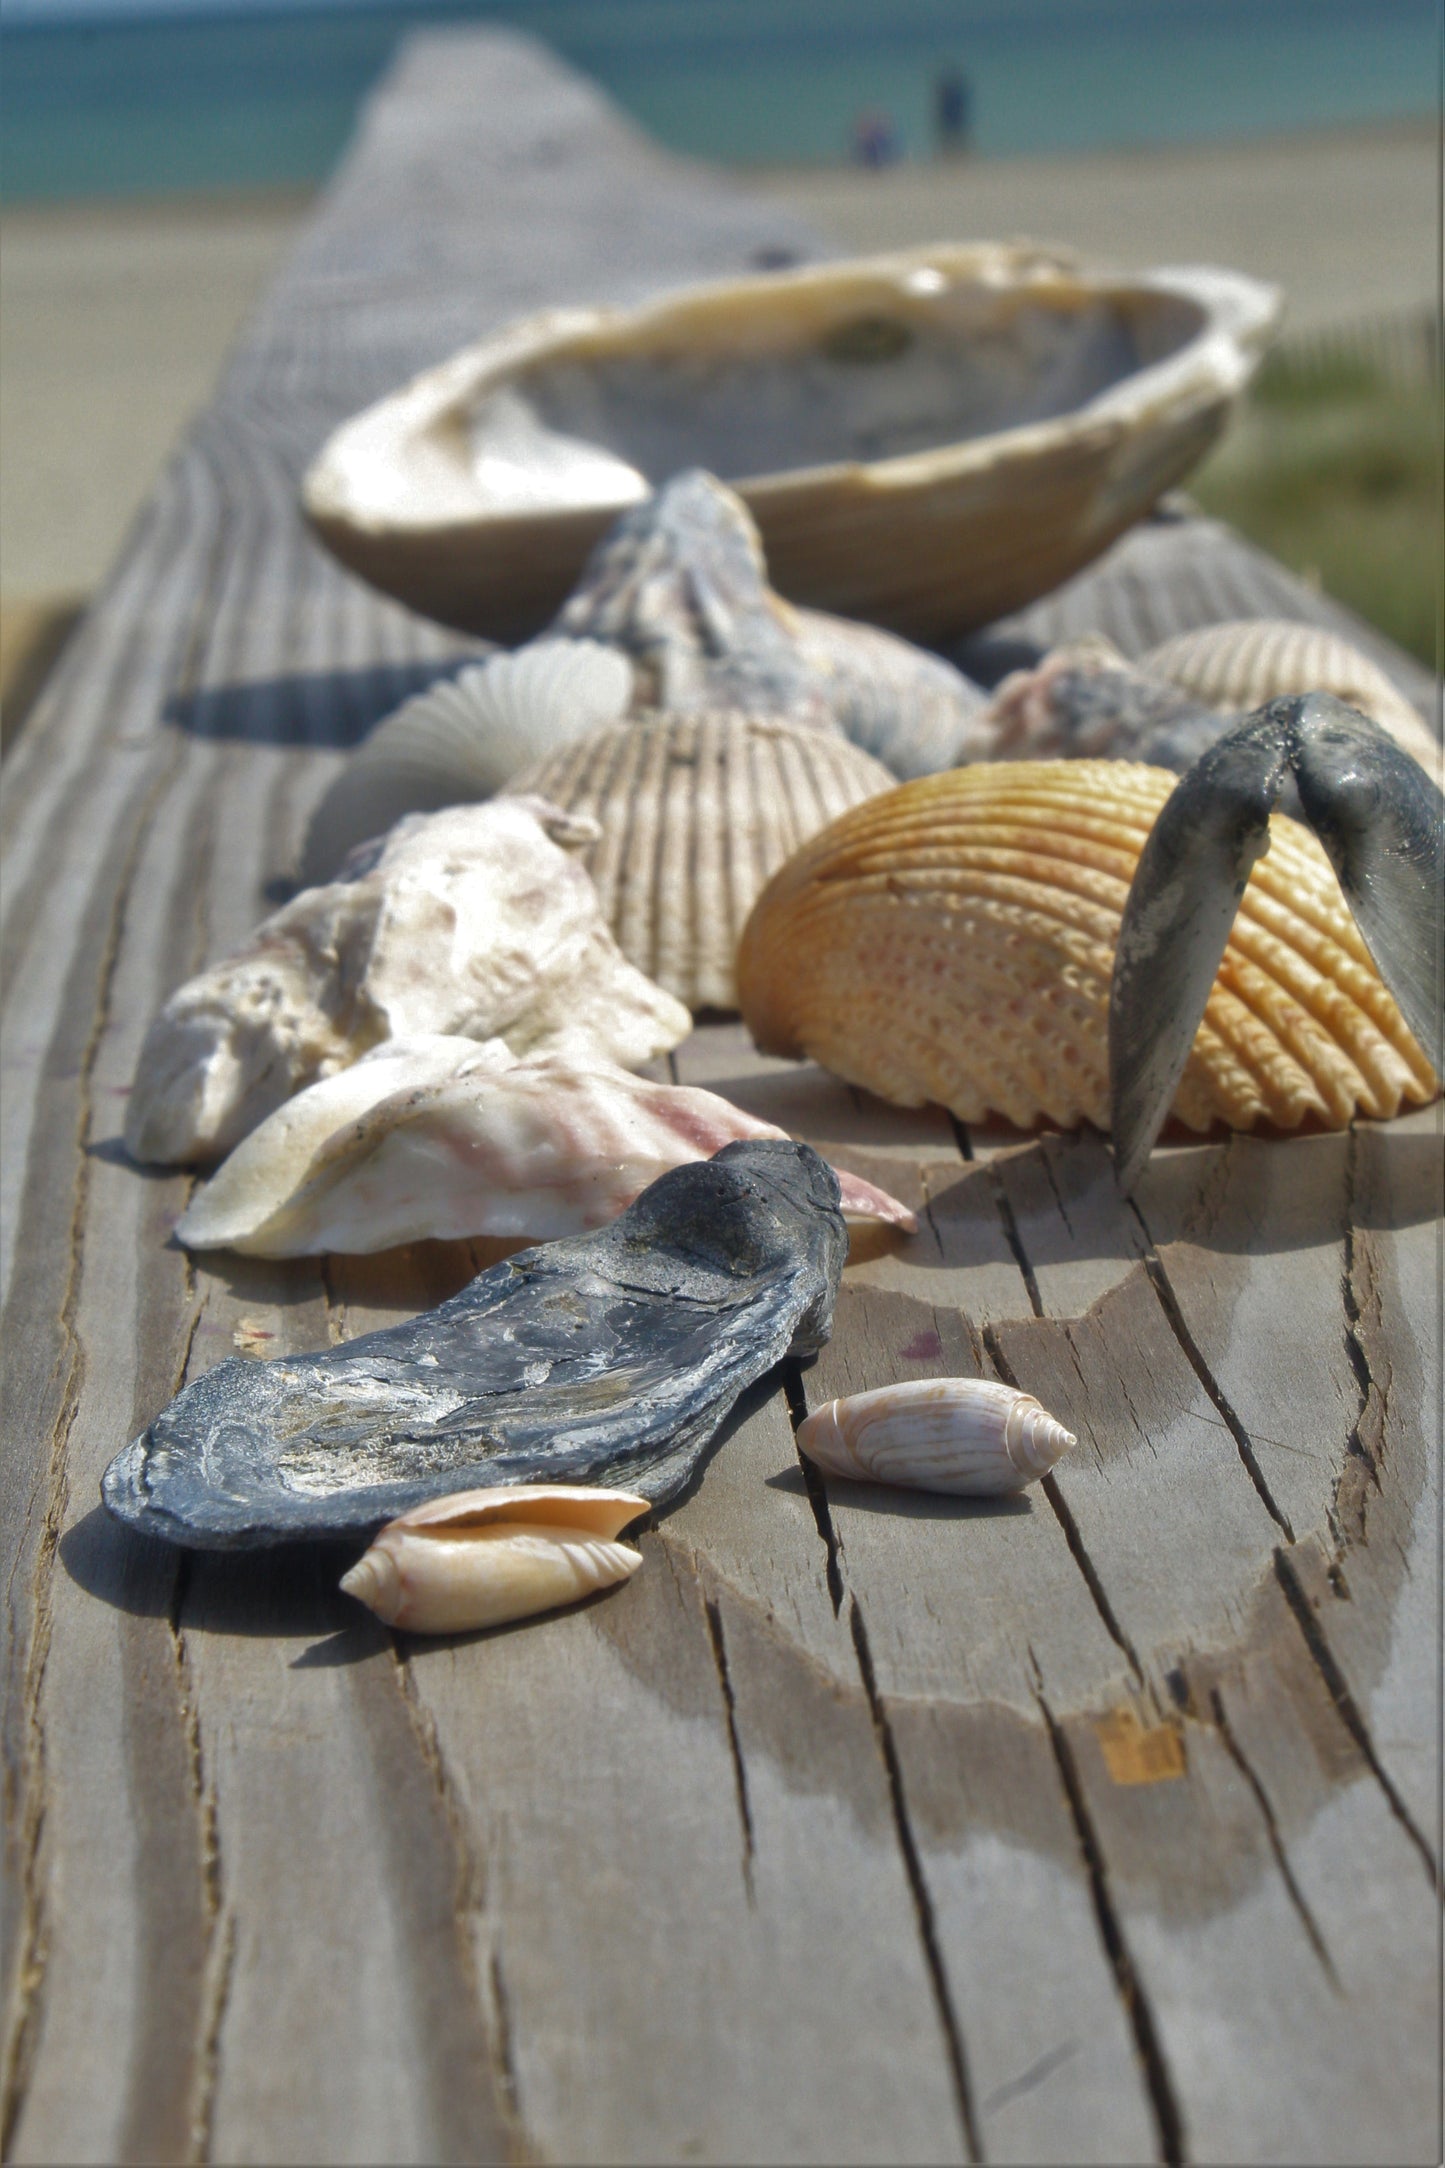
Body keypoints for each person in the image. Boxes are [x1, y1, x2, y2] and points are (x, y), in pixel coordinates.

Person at [934, 65, 972, 157]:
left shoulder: (946, 95)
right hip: (953, 119)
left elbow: (941, 110)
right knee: (954, 137)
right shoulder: (953, 95)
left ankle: (954, 156)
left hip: (951, 119)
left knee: (952, 137)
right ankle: (957, 156)